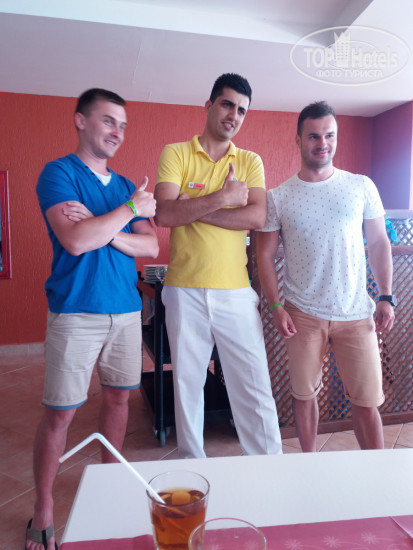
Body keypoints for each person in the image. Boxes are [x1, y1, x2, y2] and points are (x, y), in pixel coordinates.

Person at [26, 88, 158, 550]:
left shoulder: (125, 186)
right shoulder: (58, 173)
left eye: (122, 125)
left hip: (125, 311)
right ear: (81, 120)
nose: (117, 132)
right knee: (60, 413)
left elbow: (150, 246)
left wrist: (108, 228)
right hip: (76, 311)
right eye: (108, 121)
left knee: (120, 401)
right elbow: (76, 241)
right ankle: (43, 505)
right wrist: (129, 213)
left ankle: (110, 486)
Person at [154, 73, 282, 459]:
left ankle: (269, 468)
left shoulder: (249, 161)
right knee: (187, 387)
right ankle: (194, 469)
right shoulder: (176, 153)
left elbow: (256, 217)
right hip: (184, 289)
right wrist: (224, 197)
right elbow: (164, 214)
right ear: (209, 106)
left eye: (242, 110)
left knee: (254, 388)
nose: (234, 115)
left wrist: (193, 208)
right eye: (227, 104)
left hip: (236, 293)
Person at [257, 101, 395, 453]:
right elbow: (265, 255)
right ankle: (309, 464)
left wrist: (386, 295)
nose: (323, 143)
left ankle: (375, 469)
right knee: (304, 396)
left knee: (367, 401)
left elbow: (379, 242)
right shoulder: (278, 197)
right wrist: (275, 306)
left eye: (329, 135)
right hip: (302, 313)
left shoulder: (360, 186)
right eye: (314, 136)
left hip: (356, 313)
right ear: (299, 140)